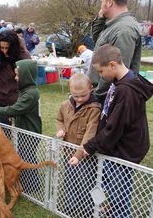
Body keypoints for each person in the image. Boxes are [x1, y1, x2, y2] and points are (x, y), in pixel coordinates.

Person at [79, 44, 153, 217]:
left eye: (101, 71)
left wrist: (90, 146)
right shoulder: (119, 82)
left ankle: (119, 214)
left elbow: (115, 127)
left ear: (112, 65)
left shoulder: (127, 91)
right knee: (104, 184)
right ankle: (105, 210)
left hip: (124, 151)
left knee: (119, 193)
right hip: (113, 147)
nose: (100, 76)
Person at [0, 59, 42, 192]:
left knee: (27, 156)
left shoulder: (31, 93)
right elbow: (17, 109)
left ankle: (33, 185)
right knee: (23, 155)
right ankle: (26, 184)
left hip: (30, 131)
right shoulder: (25, 90)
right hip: (23, 130)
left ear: (26, 75)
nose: (16, 77)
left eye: (18, 74)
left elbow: (13, 109)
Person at [56, 73, 101, 217]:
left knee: (88, 182)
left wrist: (78, 155)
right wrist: (60, 129)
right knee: (70, 179)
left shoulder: (94, 109)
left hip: (85, 155)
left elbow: (90, 134)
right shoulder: (65, 105)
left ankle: (91, 208)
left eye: (83, 95)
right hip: (68, 151)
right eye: (76, 96)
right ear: (70, 91)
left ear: (91, 89)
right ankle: (70, 206)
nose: (80, 99)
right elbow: (59, 118)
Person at [88, 0, 142, 105]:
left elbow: (116, 72)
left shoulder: (124, 30)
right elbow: (98, 41)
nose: (101, 5)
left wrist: (96, 97)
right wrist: (100, 18)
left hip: (109, 100)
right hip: (103, 97)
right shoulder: (114, 25)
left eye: (102, 1)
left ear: (109, 2)